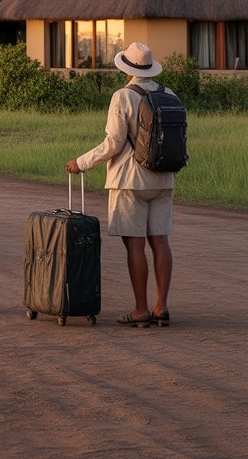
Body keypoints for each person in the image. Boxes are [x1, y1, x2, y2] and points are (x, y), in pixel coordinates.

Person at [66, 42, 177, 328]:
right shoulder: (170, 95)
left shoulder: (123, 96)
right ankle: (161, 307)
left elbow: (114, 143)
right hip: (164, 177)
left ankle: (140, 310)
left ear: (126, 68)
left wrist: (81, 162)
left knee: (135, 244)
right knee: (160, 241)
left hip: (130, 180)